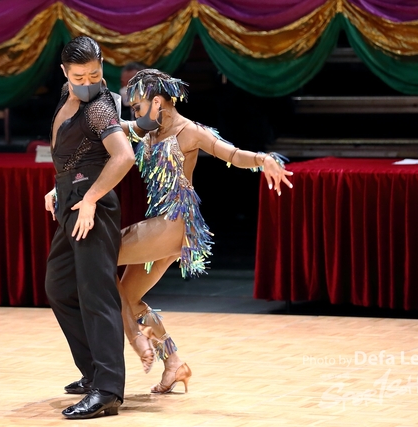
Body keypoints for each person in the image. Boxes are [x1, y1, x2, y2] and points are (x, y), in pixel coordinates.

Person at [115, 68, 294, 393]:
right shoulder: (147, 129)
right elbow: (112, 129)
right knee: (127, 297)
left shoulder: (190, 131)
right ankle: (173, 362)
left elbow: (232, 154)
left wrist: (263, 158)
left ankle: (138, 342)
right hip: (158, 226)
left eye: (137, 107)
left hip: (174, 223)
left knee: (100, 252)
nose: (135, 114)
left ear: (157, 102)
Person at [43, 36, 135, 419]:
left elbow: (123, 156)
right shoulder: (67, 95)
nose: (87, 82)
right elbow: (76, 155)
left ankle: (108, 390)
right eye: (79, 77)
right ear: (64, 73)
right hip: (72, 201)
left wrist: (92, 198)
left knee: (97, 296)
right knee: (59, 287)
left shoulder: (98, 107)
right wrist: (59, 187)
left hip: (91, 208)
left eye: (95, 74)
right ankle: (95, 371)